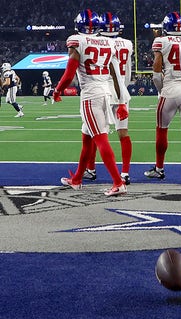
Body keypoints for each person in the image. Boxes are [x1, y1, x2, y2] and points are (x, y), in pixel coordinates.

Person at [53, 9, 128, 197]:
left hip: (90, 94)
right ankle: (77, 178)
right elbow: (114, 73)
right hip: (105, 93)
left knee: (100, 138)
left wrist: (57, 90)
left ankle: (118, 182)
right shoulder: (109, 42)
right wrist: (121, 101)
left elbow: (70, 73)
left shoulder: (77, 41)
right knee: (87, 138)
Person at [144, 12, 181, 185]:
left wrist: (161, 90)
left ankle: (160, 169)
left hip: (170, 88)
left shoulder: (161, 41)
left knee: (161, 129)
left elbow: (156, 71)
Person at [83, 12, 134, 185]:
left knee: (94, 133)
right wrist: (123, 93)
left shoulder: (98, 42)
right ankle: (125, 173)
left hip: (102, 90)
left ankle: (91, 169)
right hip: (121, 93)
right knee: (123, 133)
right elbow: (126, 71)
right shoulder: (127, 43)